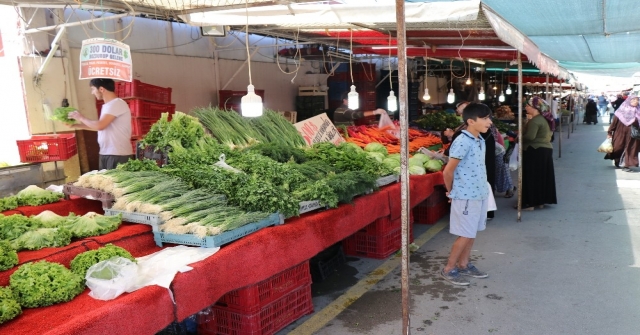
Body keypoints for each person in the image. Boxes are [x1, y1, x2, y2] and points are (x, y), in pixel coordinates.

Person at [441, 102, 493, 286]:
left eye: (489, 117)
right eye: (485, 118)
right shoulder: (462, 141)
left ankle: (464, 264)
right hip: (465, 196)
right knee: (465, 233)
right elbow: (448, 171)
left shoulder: (479, 139)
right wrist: (451, 192)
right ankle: (449, 268)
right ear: (471, 121)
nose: (489, 122)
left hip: (479, 193)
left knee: (471, 233)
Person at [69, 78, 133, 170]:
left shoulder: (116, 103)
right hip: (106, 152)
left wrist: (80, 117)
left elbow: (100, 125)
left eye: (93, 89)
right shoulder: (108, 106)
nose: (92, 92)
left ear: (101, 89)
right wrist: (75, 125)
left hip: (117, 154)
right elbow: (99, 126)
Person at [519, 97, 557, 210]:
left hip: (535, 150)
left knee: (532, 177)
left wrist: (518, 138)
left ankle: (531, 203)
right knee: (541, 177)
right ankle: (540, 201)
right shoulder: (544, 119)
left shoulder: (535, 120)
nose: (526, 107)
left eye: (528, 105)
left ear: (535, 108)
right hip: (545, 150)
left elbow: (530, 137)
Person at [604, 95, 640, 172]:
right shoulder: (621, 110)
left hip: (633, 134)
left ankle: (626, 165)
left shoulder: (638, 110)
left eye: (637, 100)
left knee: (630, 149)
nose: (636, 101)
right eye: (633, 100)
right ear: (629, 101)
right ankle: (618, 161)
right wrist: (610, 132)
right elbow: (614, 123)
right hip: (620, 133)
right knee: (618, 147)